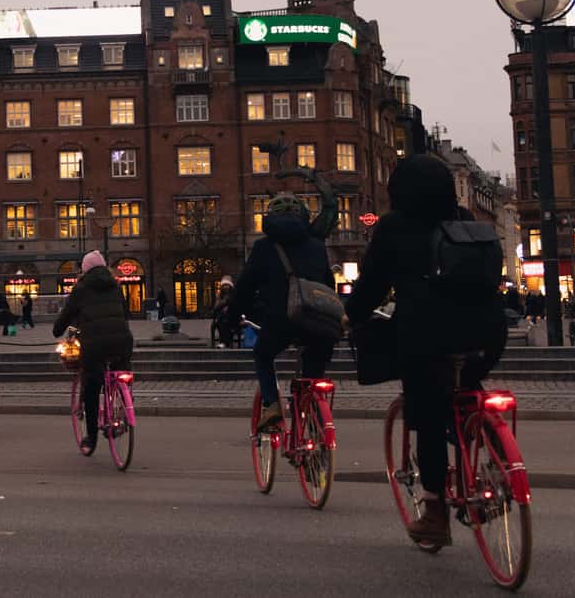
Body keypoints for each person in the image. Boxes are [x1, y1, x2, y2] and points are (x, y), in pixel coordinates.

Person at [345, 156, 506, 547]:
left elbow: (372, 287)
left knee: (428, 416)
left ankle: (435, 511)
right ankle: (493, 452)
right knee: (466, 387)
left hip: (429, 334)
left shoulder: (394, 227)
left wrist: (351, 317)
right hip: (488, 332)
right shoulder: (465, 219)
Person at [229, 192, 335, 431]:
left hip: (281, 321)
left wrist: (232, 319)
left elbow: (245, 288)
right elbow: (329, 286)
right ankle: (316, 418)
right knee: (314, 370)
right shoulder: (317, 247)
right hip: (318, 322)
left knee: (263, 355)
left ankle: (272, 406)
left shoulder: (263, 248)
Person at [53, 251, 133, 454]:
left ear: (85, 269)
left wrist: (57, 330)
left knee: (91, 387)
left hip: (94, 345)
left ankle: (91, 438)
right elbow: (125, 313)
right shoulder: (115, 286)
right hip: (122, 341)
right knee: (122, 373)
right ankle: (123, 410)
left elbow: (67, 314)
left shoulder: (81, 288)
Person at [211, 276, 236, 348]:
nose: (226, 287)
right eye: (224, 285)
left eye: (227, 285)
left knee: (226, 321)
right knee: (221, 321)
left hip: (232, 315)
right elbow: (216, 307)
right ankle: (223, 342)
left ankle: (225, 342)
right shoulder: (220, 295)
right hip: (221, 316)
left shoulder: (233, 294)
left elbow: (236, 305)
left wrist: (229, 308)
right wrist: (224, 302)